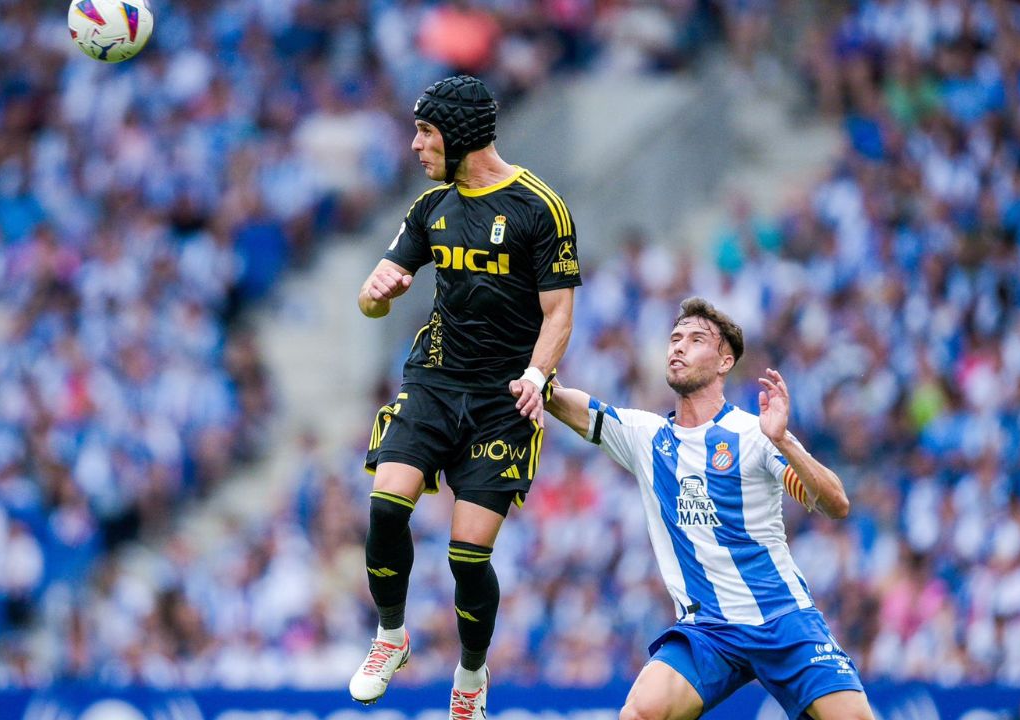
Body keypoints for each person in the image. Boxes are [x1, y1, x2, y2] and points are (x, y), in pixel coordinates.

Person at [350, 75, 580, 719]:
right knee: (386, 507)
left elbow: (559, 314)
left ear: (459, 135)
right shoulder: (430, 208)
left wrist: (536, 377)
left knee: (467, 554)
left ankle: (472, 674)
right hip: (433, 379)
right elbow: (370, 302)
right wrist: (375, 293)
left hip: (504, 399)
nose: (416, 145)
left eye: (426, 131)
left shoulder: (540, 207)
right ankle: (390, 636)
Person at [541, 297, 874, 720]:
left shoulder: (755, 434)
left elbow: (835, 503)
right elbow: (564, 401)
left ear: (724, 362)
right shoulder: (646, 436)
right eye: (675, 338)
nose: (679, 347)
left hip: (783, 620)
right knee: (639, 714)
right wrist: (529, 374)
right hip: (709, 630)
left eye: (697, 339)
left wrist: (784, 440)